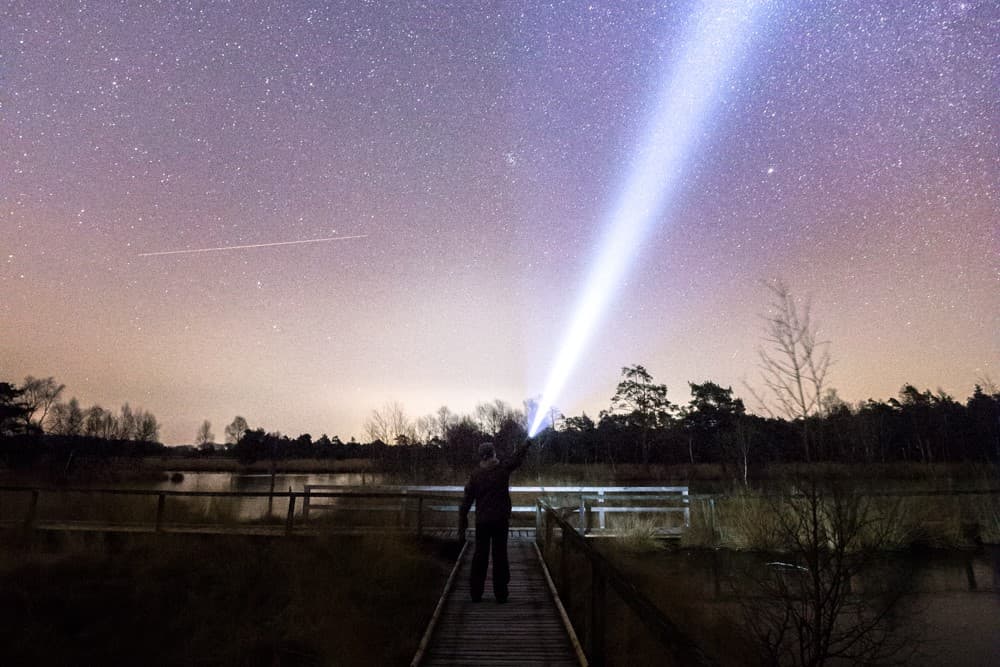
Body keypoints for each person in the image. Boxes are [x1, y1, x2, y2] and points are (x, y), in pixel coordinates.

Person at [458, 439, 531, 603]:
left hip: (482, 522)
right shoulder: (502, 469)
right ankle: (501, 593)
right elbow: (517, 459)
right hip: (500, 521)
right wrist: (526, 444)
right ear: (493, 453)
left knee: (479, 556)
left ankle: (476, 593)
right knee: (500, 556)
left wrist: (462, 524)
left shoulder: (475, 475)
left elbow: (467, 500)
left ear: (481, 456)